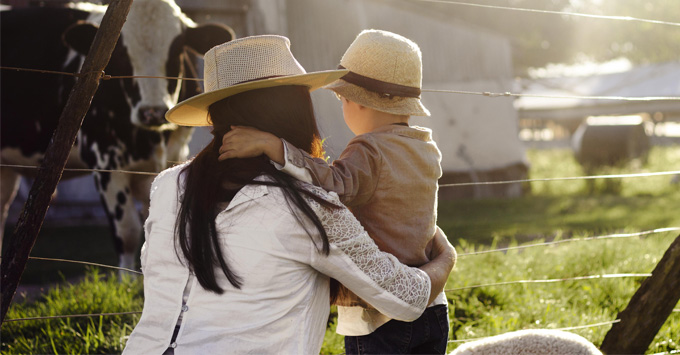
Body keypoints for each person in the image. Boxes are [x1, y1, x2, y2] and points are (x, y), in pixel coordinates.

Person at [122, 35, 456, 355]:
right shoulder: (307, 208)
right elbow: (406, 299)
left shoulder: (168, 185)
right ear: (295, 110)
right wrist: (445, 259)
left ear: (217, 113)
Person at [219, 30, 449, 354]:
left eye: (341, 100)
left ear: (356, 101)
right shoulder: (426, 147)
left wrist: (275, 146)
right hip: (433, 305)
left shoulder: (368, 148)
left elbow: (335, 186)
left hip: (379, 314)